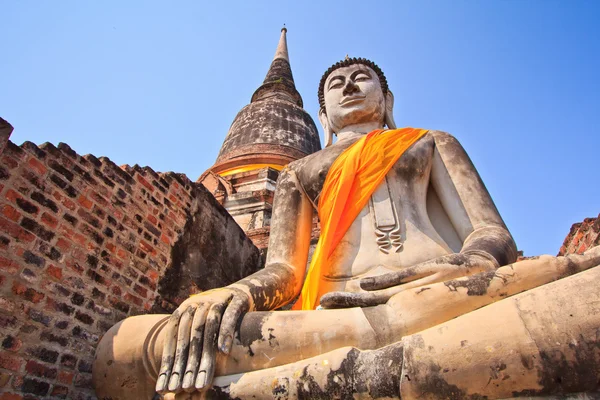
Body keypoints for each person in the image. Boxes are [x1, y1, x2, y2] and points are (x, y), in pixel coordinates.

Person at [92, 58, 600, 399]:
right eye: (337, 83)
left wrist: (468, 263)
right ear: (323, 115)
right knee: (130, 346)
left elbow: (491, 235)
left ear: (388, 96)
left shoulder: (429, 141)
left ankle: (292, 385)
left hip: (445, 294)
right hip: (328, 318)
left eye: (362, 77)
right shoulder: (301, 171)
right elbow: (287, 272)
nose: (350, 85)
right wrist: (232, 294)